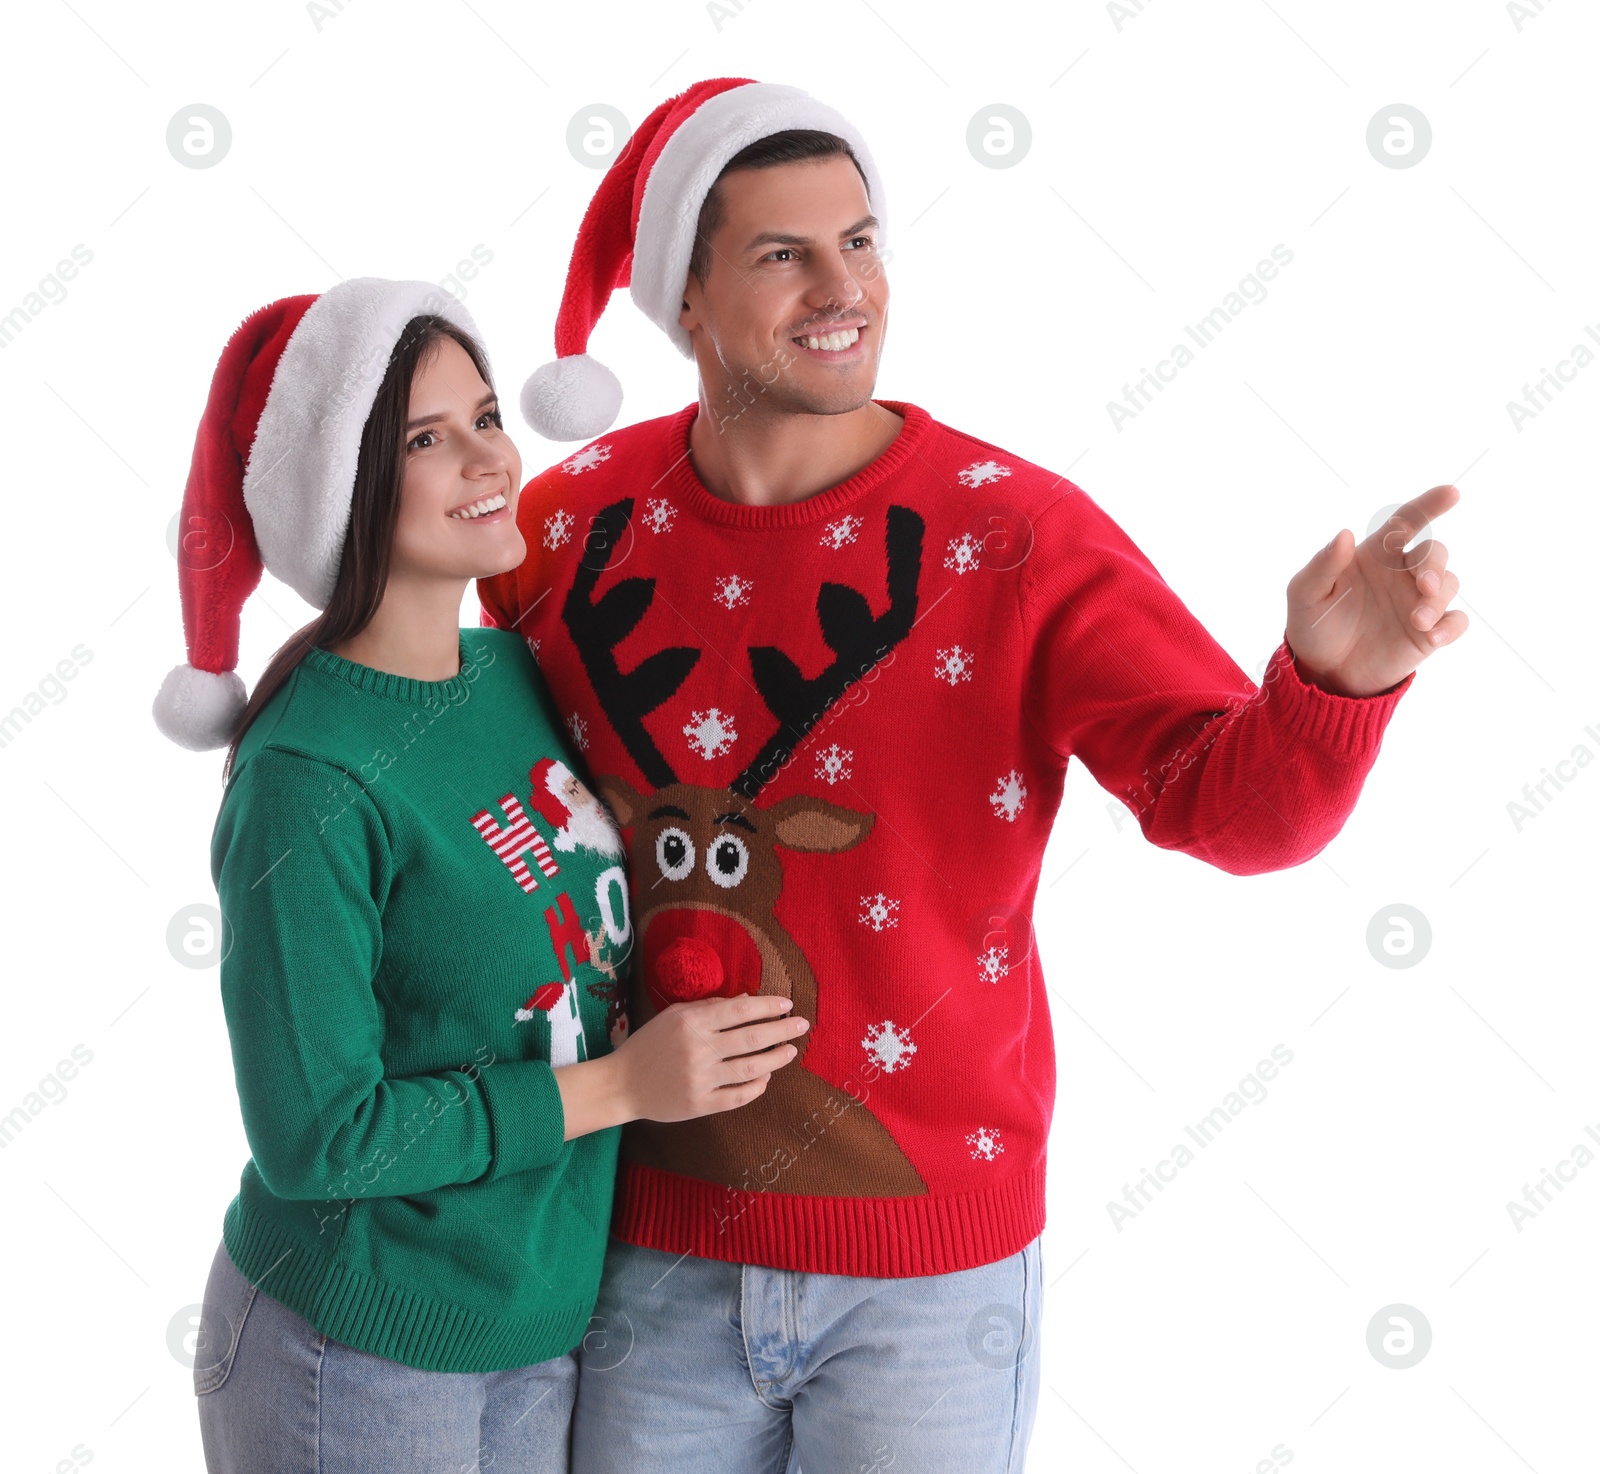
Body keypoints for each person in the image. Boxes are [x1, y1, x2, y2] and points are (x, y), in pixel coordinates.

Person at [477, 79, 1467, 1474]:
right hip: (640, 1246)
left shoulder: (1015, 537)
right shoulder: (558, 528)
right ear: (684, 299)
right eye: (784, 253)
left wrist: (1333, 684)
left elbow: (1227, 807)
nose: (845, 288)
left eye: (864, 240)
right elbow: (478, 825)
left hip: (929, 1283)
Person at [152, 276, 809, 1474]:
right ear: (338, 487)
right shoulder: (308, 772)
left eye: (488, 415)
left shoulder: (510, 674)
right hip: (353, 1345)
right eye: (424, 437)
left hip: (536, 1316)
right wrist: (620, 1089)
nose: (487, 457)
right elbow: (321, 1137)